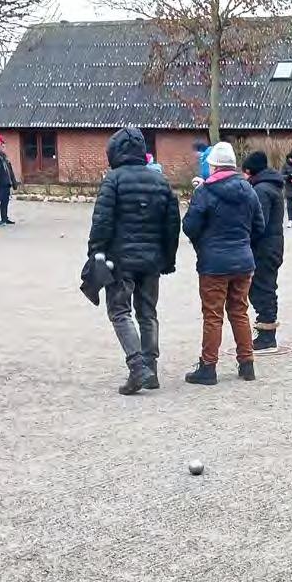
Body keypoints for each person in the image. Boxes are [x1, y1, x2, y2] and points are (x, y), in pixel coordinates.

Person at [87, 127, 181, 395]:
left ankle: (138, 367)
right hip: (152, 260)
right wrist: (168, 259)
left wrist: (95, 251)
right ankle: (150, 368)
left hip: (121, 260)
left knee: (119, 311)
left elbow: (102, 220)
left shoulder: (113, 180)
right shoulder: (161, 181)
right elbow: (172, 225)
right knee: (148, 313)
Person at [182, 142, 266, 385]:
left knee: (213, 315)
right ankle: (247, 364)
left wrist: (205, 242)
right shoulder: (249, 190)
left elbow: (189, 227)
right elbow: (259, 226)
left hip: (213, 264)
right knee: (239, 312)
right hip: (243, 262)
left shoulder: (204, 192)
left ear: (214, 166)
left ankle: (208, 367)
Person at [241, 151, 285, 351]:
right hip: (271, 246)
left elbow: (259, 223)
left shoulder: (261, 190)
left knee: (262, 288)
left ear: (250, 171)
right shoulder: (270, 186)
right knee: (265, 287)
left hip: (264, 248)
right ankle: (266, 331)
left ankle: (267, 335)